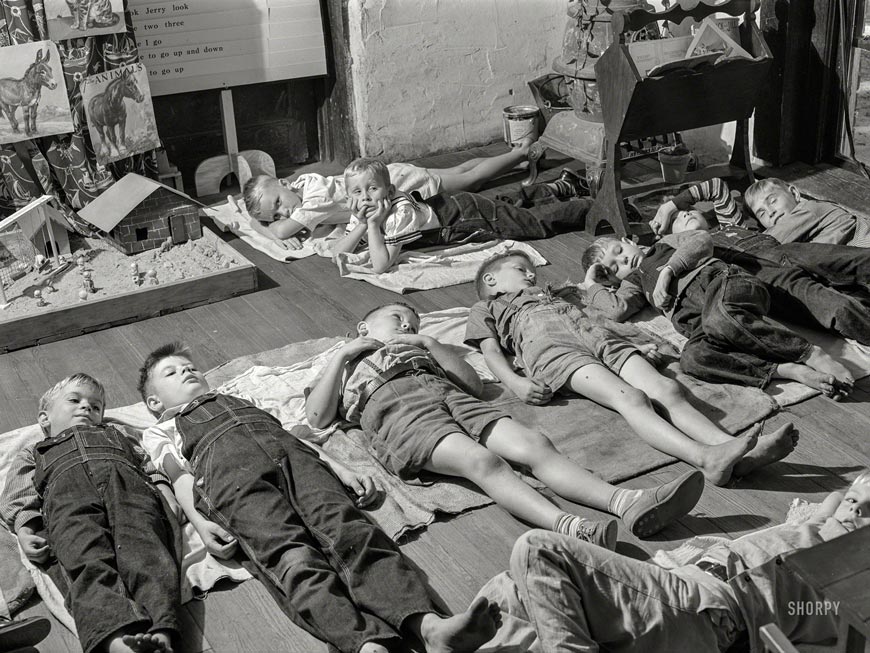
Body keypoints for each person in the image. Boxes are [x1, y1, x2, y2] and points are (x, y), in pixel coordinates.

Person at [138, 343, 501, 653]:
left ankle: (428, 627)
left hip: (297, 462)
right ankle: (361, 642)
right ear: (154, 402)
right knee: (292, 556)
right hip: (230, 481)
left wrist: (340, 468)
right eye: (171, 373)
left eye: (191, 367)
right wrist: (200, 524)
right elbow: (180, 477)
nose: (187, 371)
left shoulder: (240, 398)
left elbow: (295, 439)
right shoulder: (160, 429)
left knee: (352, 534)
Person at [306, 301, 705, 539]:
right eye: (397, 318)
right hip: (397, 411)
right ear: (363, 327)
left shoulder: (423, 350)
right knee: (484, 462)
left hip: (447, 394)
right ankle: (573, 527)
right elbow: (317, 416)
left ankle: (628, 502)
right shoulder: (340, 363)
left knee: (536, 445)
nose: (407, 325)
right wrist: (343, 357)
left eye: (413, 322)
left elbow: (471, 385)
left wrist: (429, 344)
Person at [465, 250, 798, 487]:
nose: (530, 274)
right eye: (520, 268)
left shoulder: (555, 294)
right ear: (491, 279)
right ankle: (703, 457)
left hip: (598, 337)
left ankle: (735, 451)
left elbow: (601, 314)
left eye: (530, 270)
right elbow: (491, 350)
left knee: (667, 389)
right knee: (633, 398)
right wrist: (515, 383)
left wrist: (637, 342)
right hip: (552, 349)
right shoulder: (486, 307)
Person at [479, 470, 870, 652]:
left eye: (867, 510)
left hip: (707, 607)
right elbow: (836, 500)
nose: (854, 512)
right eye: (854, 502)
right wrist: (848, 500)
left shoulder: (855, 563)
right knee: (511, 591)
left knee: (539, 551)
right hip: (675, 592)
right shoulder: (824, 522)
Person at [0, 374, 181, 653]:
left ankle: (161, 633)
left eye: (96, 407)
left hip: (130, 492)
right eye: (74, 400)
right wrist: (25, 530)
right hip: (68, 504)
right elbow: (19, 493)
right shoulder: (33, 451)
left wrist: (167, 494)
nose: (87, 408)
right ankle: (115, 640)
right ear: (44, 418)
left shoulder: (119, 433)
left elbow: (149, 464)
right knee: (85, 562)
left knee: (149, 556)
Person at [581, 232, 855, 398]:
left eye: (619, 251)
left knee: (722, 317)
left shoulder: (664, 244)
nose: (623, 261)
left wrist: (668, 271)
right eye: (614, 267)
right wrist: (592, 283)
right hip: (704, 322)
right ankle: (786, 370)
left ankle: (809, 353)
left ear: (629, 241)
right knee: (693, 359)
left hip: (725, 284)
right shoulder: (633, 286)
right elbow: (615, 310)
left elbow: (702, 240)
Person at [647, 178, 870, 345]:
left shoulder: (731, 225)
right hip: (770, 275)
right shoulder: (682, 249)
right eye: (676, 219)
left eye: (688, 210)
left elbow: (716, 187)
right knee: (838, 303)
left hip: (784, 253)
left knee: (835, 265)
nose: (684, 214)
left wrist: (671, 207)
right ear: (670, 237)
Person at [242, 139, 535, 248]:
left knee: (469, 181)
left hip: (400, 186)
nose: (285, 213)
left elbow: (280, 233)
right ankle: (515, 160)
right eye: (276, 214)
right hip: (386, 175)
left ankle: (523, 152)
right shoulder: (304, 182)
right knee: (460, 173)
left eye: (278, 203)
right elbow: (281, 221)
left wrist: (260, 225)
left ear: (282, 182)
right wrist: (266, 217)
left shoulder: (313, 203)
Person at [331, 158, 591, 273]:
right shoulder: (364, 211)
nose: (365, 197)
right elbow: (337, 253)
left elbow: (380, 265)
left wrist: (374, 226)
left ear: (389, 190)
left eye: (372, 189)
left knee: (529, 223)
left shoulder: (398, 212)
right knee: (507, 208)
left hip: (462, 217)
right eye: (357, 191)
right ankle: (558, 187)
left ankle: (591, 207)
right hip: (451, 205)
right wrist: (362, 225)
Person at [744, 177, 870, 247]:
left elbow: (762, 244)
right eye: (761, 213)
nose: (770, 212)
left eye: (772, 201)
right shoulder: (796, 236)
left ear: (794, 193)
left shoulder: (809, 210)